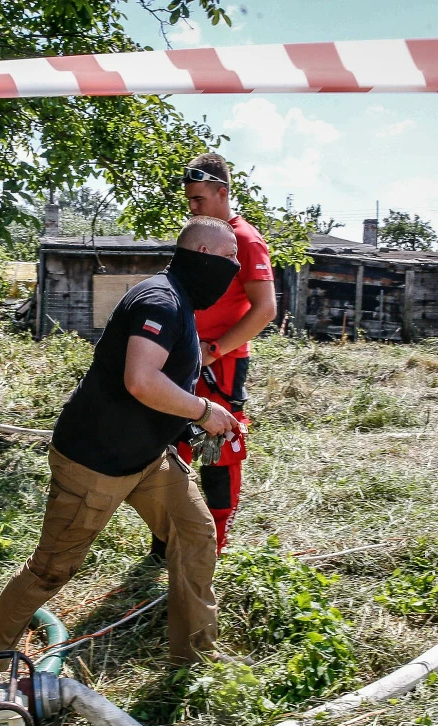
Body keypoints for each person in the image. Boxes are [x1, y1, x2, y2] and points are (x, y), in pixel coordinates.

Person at [0, 217, 242, 679]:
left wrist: (191, 422)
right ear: (201, 254)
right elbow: (141, 379)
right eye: (229, 257)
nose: (235, 266)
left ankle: (194, 659)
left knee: (195, 536)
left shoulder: (181, 302)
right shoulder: (161, 300)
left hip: (150, 460)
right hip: (94, 463)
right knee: (52, 570)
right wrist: (202, 411)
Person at [164, 151, 277, 553]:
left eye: (199, 200)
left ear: (222, 192)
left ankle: (214, 543)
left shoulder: (245, 239)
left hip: (220, 364)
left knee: (219, 451)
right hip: (184, 359)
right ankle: (167, 539)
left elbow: (265, 309)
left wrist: (214, 350)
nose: (192, 208)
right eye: (189, 200)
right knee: (174, 443)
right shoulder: (200, 236)